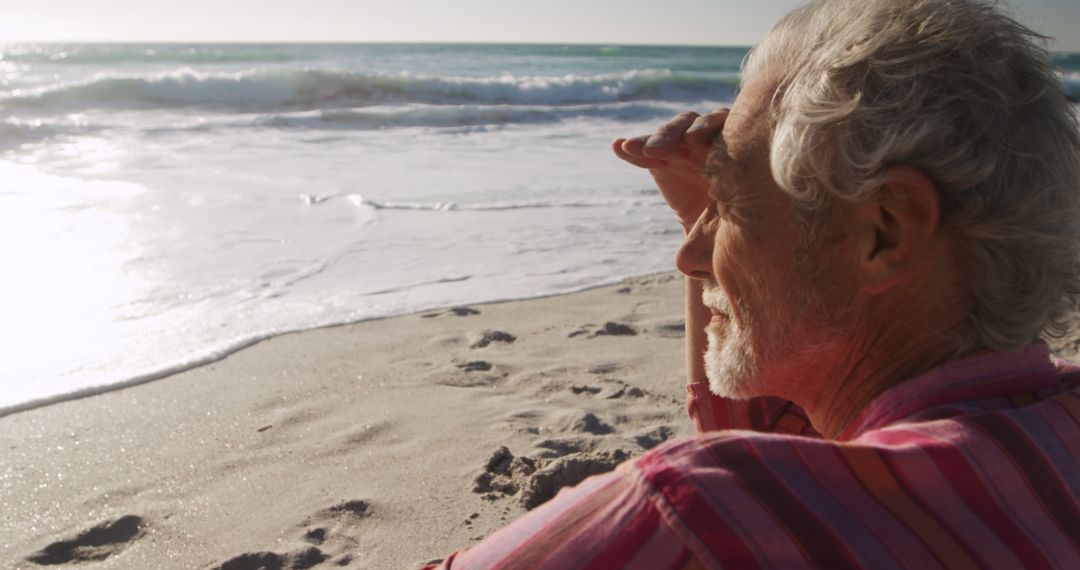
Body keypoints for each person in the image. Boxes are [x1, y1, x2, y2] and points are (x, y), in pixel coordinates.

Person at [426, 0, 1080, 567]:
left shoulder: (693, 507)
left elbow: (742, 494)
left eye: (730, 204)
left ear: (884, 231)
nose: (689, 255)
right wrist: (714, 213)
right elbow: (799, 461)